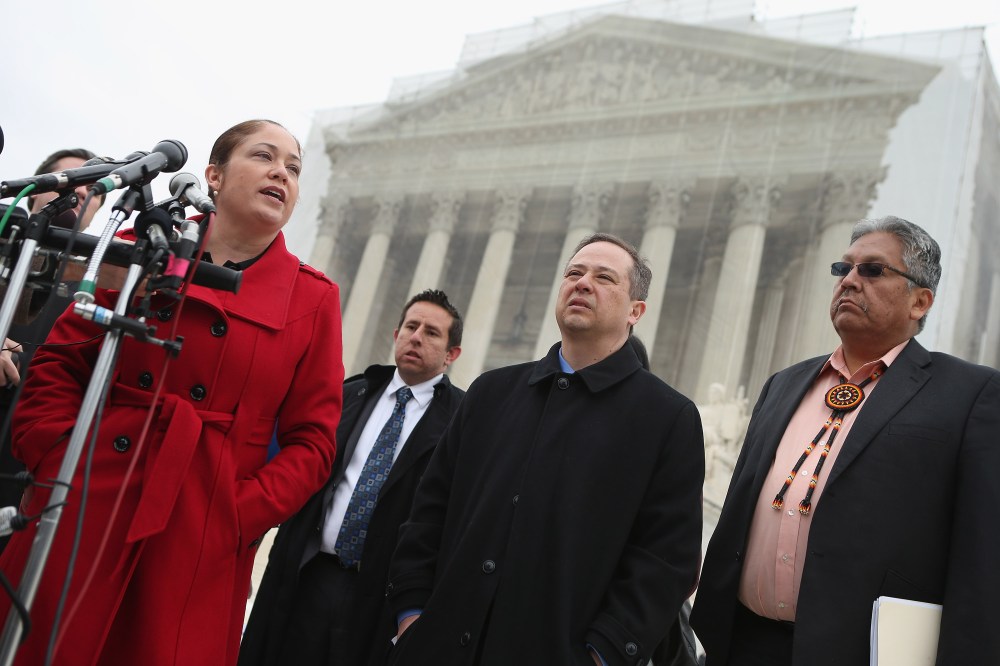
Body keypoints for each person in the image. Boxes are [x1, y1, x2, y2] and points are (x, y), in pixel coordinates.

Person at [0, 119, 344, 666]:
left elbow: (313, 442)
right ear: (214, 175)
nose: (282, 171)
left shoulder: (313, 298)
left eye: (295, 167)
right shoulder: (141, 250)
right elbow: (62, 364)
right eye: (264, 156)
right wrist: (57, 458)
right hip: (83, 504)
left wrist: (236, 512)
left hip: (198, 535)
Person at [690, 216, 1000, 665]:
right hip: (744, 645)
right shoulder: (784, 384)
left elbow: (981, 559)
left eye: (873, 270)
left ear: (920, 301)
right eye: (844, 269)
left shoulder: (969, 395)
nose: (850, 281)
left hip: (863, 652)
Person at [385, 233, 705, 665]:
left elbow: (666, 561)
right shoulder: (490, 393)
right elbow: (429, 512)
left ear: (636, 311)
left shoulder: (668, 418)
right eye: (574, 272)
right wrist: (412, 615)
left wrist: (603, 654)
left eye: (604, 277)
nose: (583, 282)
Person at [239, 288, 465, 666]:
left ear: (451, 354)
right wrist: (248, 549)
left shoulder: (462, 421)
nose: (416, 337)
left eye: (431, 332)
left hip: (382, 597)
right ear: (395, 335)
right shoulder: (351, 395)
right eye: (411, 326)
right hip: (308, 577)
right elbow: (290, 470)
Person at [0, 148, 107, 530]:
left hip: (19, 474)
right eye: (71, 183)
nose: (80, 194)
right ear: (34, 190)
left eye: (92, 193)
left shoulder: (94, 288)